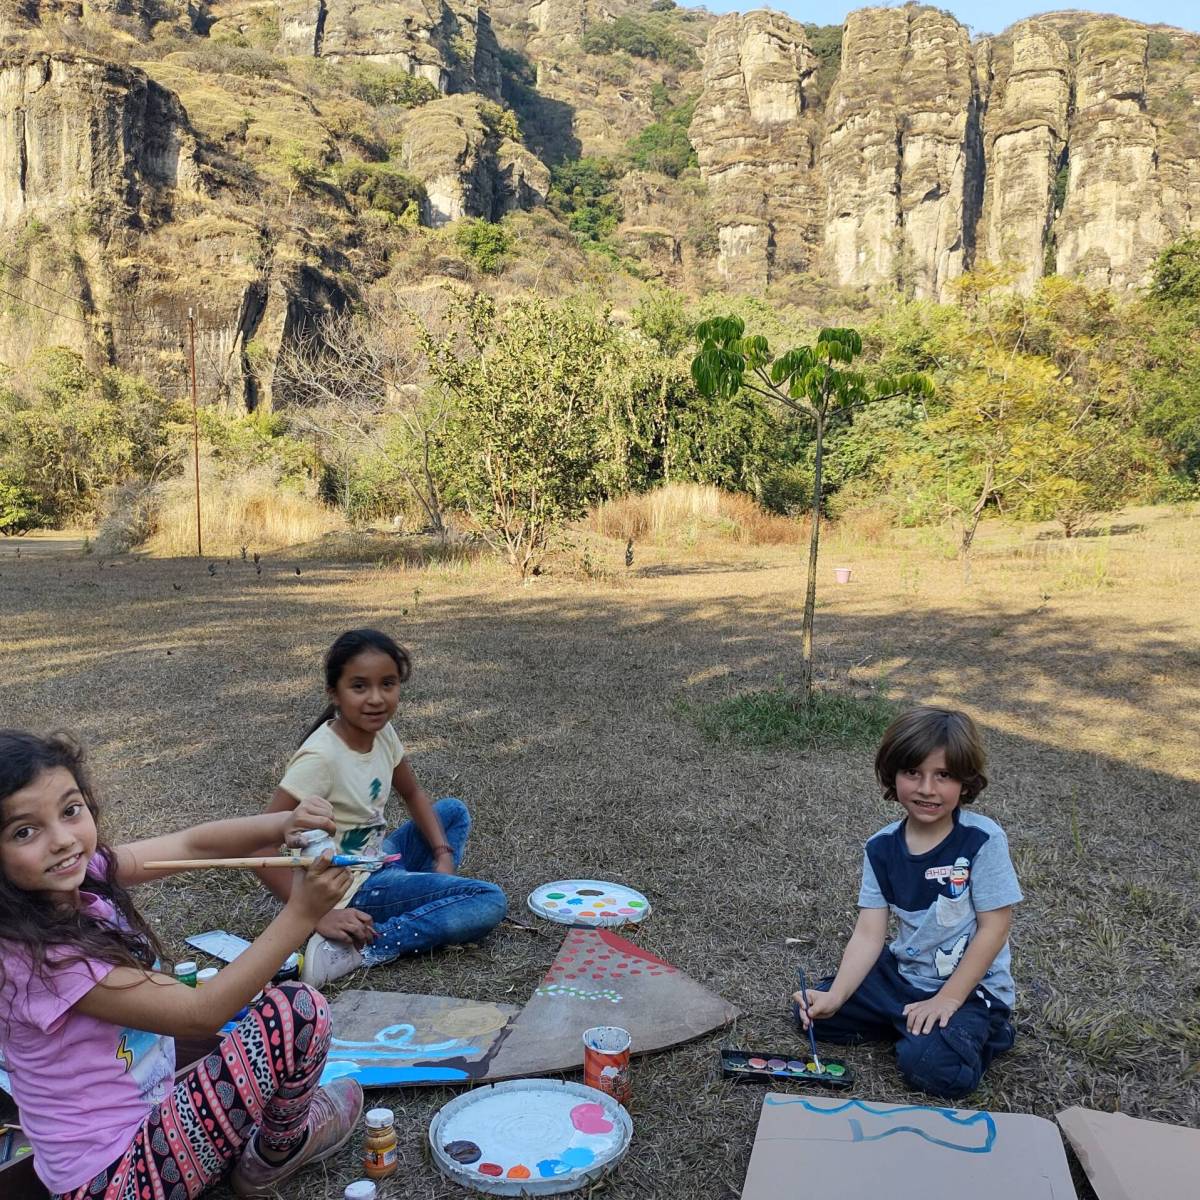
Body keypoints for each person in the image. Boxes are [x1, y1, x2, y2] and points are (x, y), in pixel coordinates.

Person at [0, 729, 364, 1200]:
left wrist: (281, 824)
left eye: (71, 810)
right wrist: (303, 912)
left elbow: (192, 846)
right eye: (25, 831)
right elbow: (200, 1012)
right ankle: (273, 1157)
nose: (62, 840)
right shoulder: (39, 961)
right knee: (296, 1013)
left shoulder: (80, 875)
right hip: (113, 1182)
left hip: (144, 1125)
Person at [257, 629, 507, 989]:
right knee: (487, 899)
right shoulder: (321, 757)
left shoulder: (382, 731)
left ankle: (421, 891)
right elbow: (258, 846)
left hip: (377, 859)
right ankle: (364, 946)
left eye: (387, 684)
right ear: (335, 694)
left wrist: (442, 853)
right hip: (350, 887)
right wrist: (318, 916)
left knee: (452, 811)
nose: (376, 699)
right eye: (359, 687)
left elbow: (413, 792)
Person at [793, 706, 1022, 1099]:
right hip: (903, 977)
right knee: (818, 1017)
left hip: (970, 987)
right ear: (893, 775)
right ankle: (909, 1020)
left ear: (966, 782)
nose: (927, 789)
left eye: (944, 775)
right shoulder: (880, 848)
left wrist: (948, 999)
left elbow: (995, 928)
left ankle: (980, 1030)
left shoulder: (982, 840)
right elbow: (868, 935)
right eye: (912, 773)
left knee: (932, 1068)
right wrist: (837, 996)